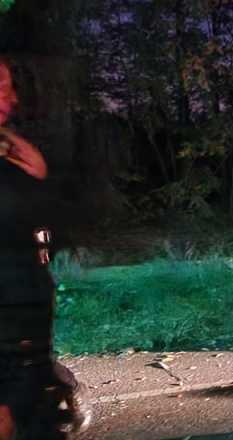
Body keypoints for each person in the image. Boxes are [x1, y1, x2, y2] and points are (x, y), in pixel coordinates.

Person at [0, 58, 89, 439]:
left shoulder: (13, 153)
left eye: (9, 87)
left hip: (29, 335)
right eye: (0, 86)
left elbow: (40, 188)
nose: (12, 97)